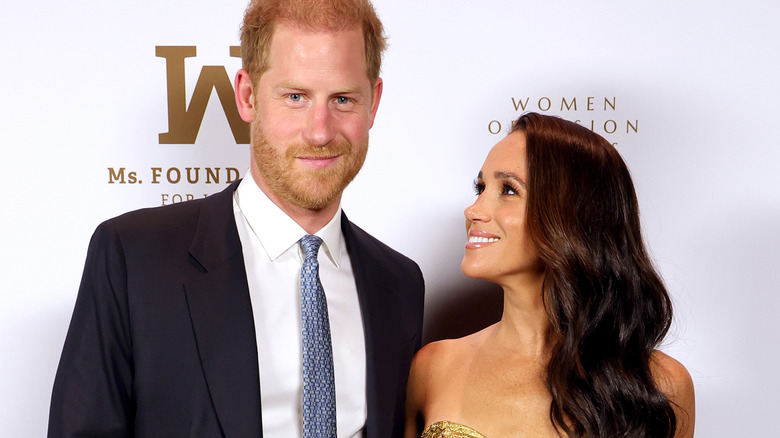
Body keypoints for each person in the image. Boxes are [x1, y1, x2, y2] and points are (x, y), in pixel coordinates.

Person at [48, 0, 424, 437]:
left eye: (343, 99)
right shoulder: (135, 258)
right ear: (247, 96)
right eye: (295, 97)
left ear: (373, 103)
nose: (320, 131)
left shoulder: (399, 284)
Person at [405, 112, 694, 438]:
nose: (473, 210)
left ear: (573, 215)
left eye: (509, 190)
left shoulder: (661, 385)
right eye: (481, 187)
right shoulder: (433, 368)